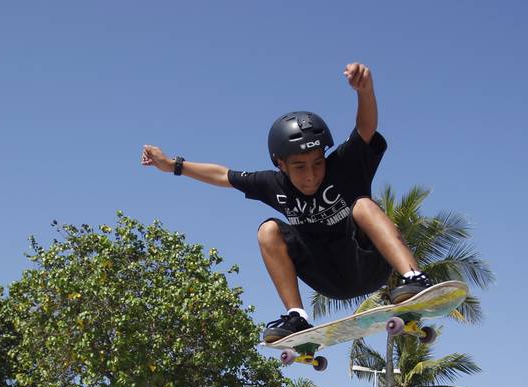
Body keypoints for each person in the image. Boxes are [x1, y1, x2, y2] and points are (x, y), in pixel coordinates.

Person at [142, 62, 432, 343]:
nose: (311, 175)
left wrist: (364, 91)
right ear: (281, 164)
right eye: (300, 167)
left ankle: (414, 277)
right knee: (268, 229)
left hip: (368, 265)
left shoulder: (345, 166)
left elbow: (366, 127)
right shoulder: (273, 184)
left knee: (363, 205)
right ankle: (297, 316)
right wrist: (172, 166)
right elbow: (223, 175)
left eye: (318, 163)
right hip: (328, 278)